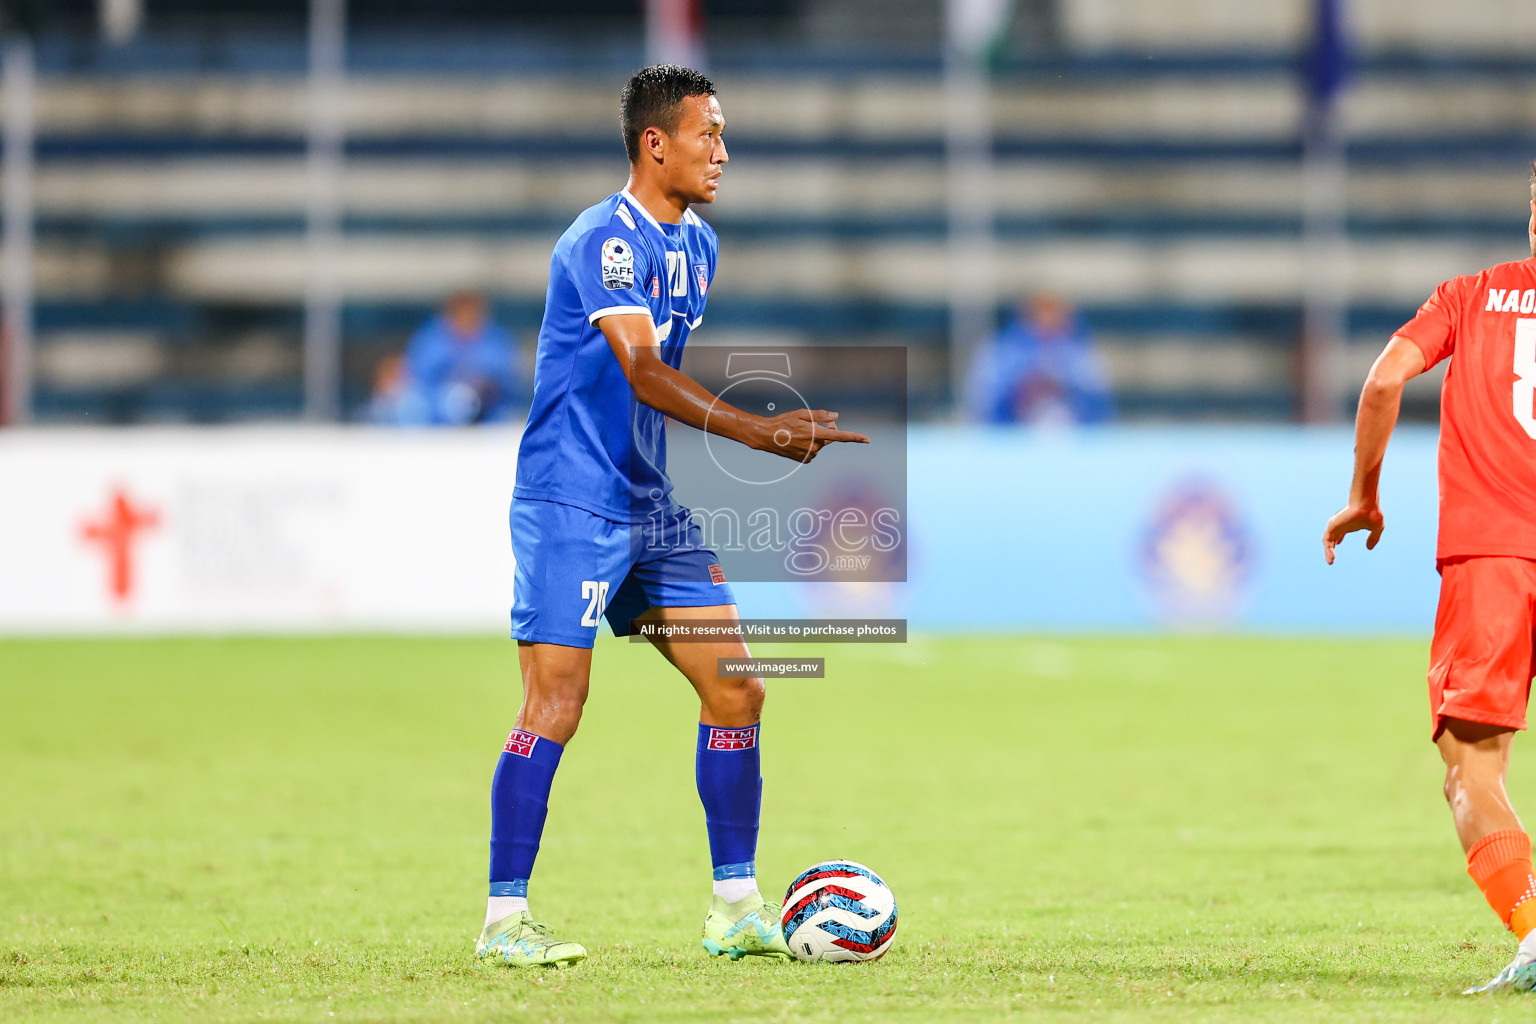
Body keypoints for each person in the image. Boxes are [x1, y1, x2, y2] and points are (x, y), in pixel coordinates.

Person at [476, 65, 869, 968]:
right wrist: (757, 433)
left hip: (650, 505)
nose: (723, 154)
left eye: (724, 137)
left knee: (738, 686)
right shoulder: (601, 243)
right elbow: (644, 373)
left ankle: (736, 907)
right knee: (556, 704)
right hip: (572, 499)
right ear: (657, 143)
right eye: (709, 135)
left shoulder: (700, 245)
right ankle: (504, 920)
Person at [1324, 161, 1536, 994]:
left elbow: (1382, 379)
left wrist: (1363, 498)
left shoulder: (1469, 296)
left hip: (1492, 558)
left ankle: (1533, 926)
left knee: (1472, 768)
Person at [371, 292, 522, 425]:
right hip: (436, 415)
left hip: (489, 414)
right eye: (461, 314)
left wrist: (481, 386)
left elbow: (509, 381)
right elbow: (419, 379)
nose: (466, 319)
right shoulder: (431, 339)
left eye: (472, 314)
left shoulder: (496, 340)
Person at [964, 294, 1113, 426]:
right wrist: (1023, 388)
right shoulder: (1002, 350)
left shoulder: (1079, 351)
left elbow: (1099, 400)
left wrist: (1062, 387)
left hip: (1072, 434)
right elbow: (982, 399)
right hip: (1010, 434)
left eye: (1054, 314)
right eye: (1042, 313)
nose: (1048, 321)